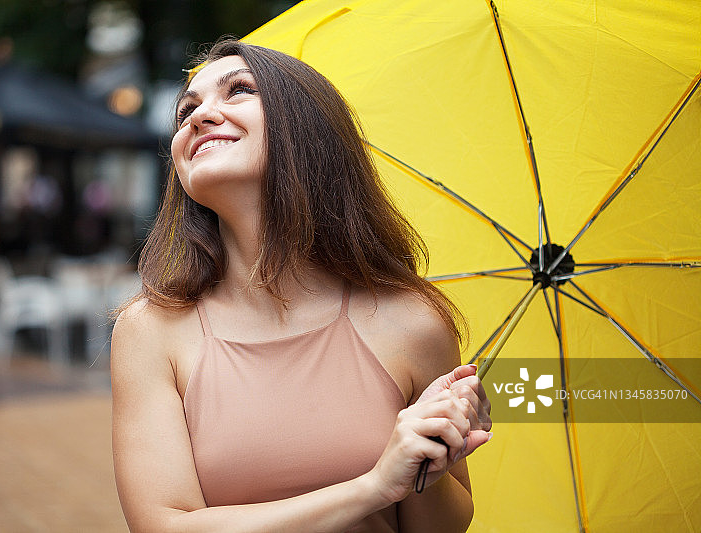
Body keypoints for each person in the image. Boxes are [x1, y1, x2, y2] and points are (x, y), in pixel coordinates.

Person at [111, 38, 492, 533]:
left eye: (238, 91)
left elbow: (439, 528)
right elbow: (164, 526)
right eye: (187, 109)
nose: (198, 117)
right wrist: (374, 486)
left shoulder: (414, 321)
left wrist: (429, 455)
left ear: (305, 128)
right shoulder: (150, 330)